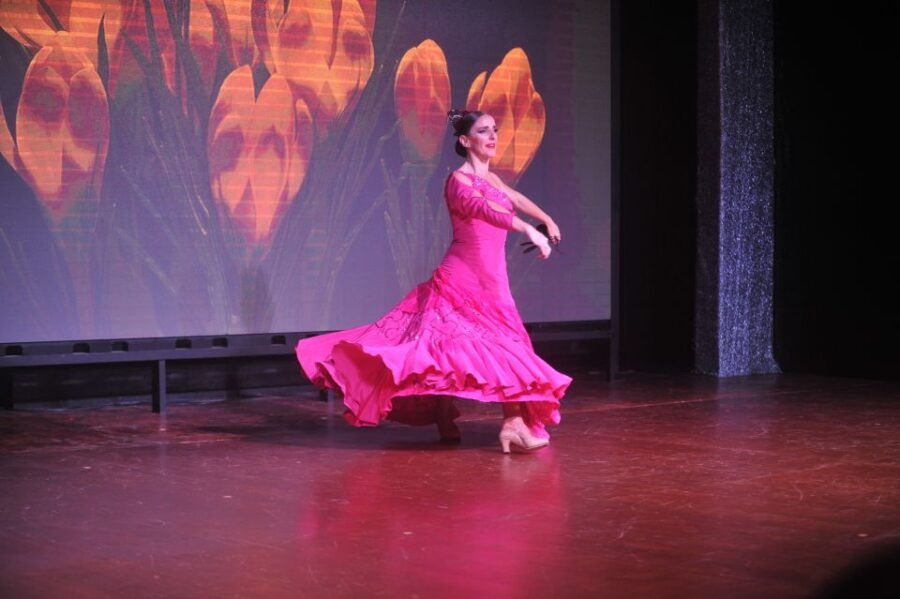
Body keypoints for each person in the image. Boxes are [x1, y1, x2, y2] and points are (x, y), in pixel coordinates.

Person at [294, 109, 572, 453]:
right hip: (462, 278)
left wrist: (545, 218)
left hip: (492, 280)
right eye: (484, 131)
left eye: (494, 130)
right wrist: (529, 229)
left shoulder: (492, 180)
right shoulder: (459, 182)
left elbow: (513, 200)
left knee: (498, 346)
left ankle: (458, 416)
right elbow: (489, 212)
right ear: (465, 141)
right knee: (450, 347)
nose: (493, 136)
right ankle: (511, 423)